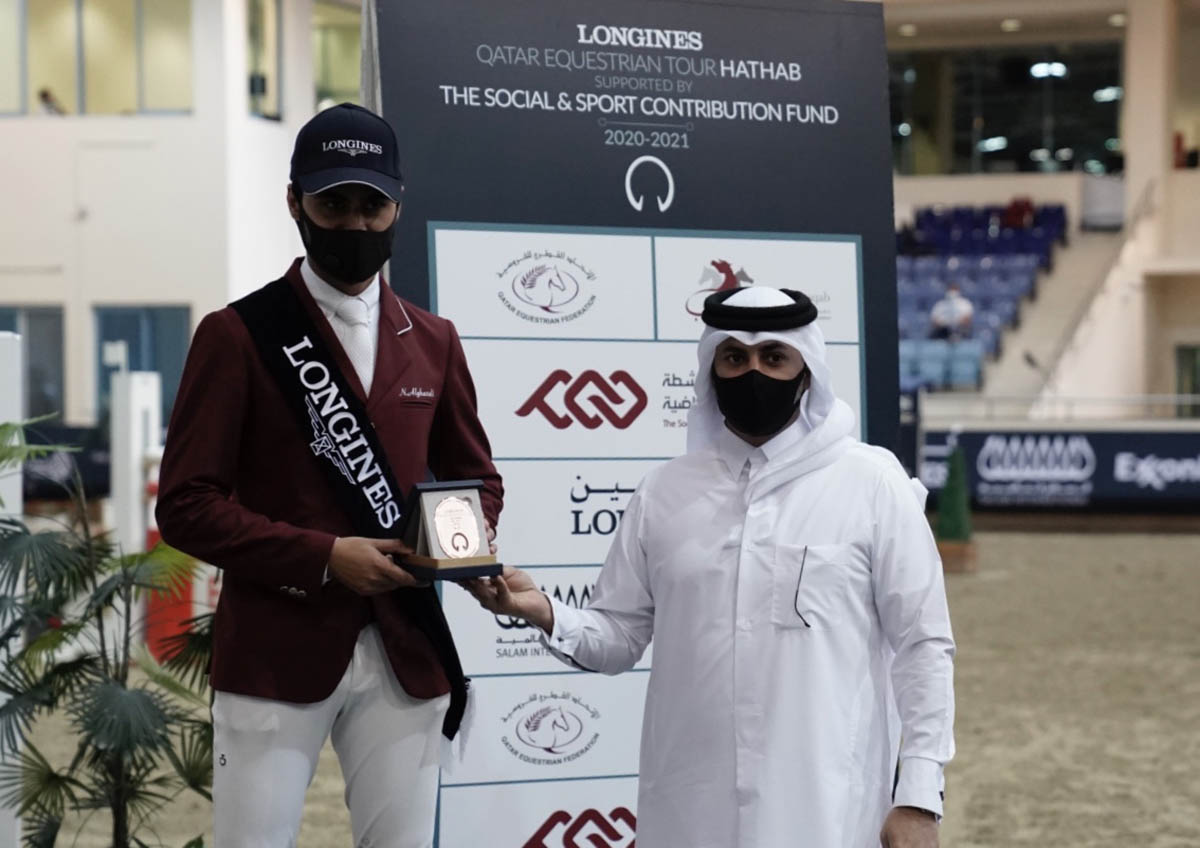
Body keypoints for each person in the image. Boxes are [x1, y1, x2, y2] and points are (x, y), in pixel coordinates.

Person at [463, 286, 955, 848]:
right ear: (712, 371)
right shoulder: (664, 492)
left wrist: (919, 797)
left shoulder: (871, 484)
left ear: (805, 372)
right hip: (691, 809)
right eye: (734, 358)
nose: (753, 372)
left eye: (774, 357)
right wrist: (544, 612)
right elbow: (618, 636)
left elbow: (923, 645)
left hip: (828, 808)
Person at [157, 102, 503, 848]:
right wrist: (323, 556)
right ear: (295, 203)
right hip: (274, 645)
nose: (354, 223)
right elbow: (186, 504)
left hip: (406, 645)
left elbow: (477, 479)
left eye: (371, 206)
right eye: (333, 204)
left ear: (398, 206)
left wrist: (454, 548)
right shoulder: (237, 335)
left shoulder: (435, 340)